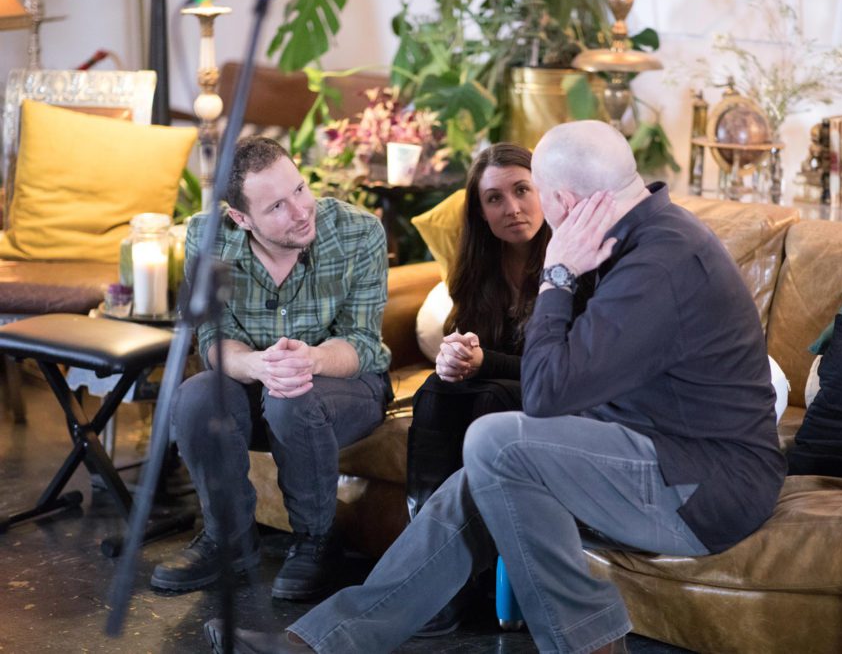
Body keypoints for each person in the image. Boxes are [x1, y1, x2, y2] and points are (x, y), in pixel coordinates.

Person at [204, 120, 786, 654]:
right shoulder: (641, 235)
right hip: (658, 455)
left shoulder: (657, 262)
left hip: (704, 487)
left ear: (559, 199)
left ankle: (592, 643)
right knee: (477, 482)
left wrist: (557, 274)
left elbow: (549, 394)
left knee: (496, 442)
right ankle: (323, 644)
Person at [152, 137, 393, 602]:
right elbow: (212, 339)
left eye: (300, 190)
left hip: (346, 383)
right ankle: (228, 540)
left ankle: (316, 541)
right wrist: (256, 364)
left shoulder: (359, 232)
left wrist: (311, 360)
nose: (302, 211)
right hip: (255, 379)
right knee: (198, 395)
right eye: (278, 207)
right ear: (241, 218)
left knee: (291, 394)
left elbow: (362, 342)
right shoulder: (209, 236)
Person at [406, 142, 591, 520]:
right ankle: (426, 522)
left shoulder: (574, 261)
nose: (512, 208)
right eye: (494, 198)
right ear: (482, 213)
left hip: (567, 397)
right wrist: (454, 357)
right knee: (433, 390)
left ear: (544, 192)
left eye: (522, 190)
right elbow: (474, 352)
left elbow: (565, 370)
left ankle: (479, 537)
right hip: (499, 387)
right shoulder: (477, 270)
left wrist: (484, 362)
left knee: (491, 400)